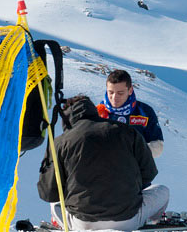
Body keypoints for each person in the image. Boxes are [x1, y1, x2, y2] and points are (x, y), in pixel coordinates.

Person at [38, 95, 170, 231]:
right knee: (162, 190)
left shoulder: (60, 142)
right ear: (93, 110)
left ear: (66, 117)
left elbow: (48, 192)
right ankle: (149, 222)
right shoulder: (127, 131)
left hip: (82, 223)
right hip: (127, 219)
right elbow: (149, 174)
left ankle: (60, 224)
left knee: (56, 199)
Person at [97, 69, 164, 158]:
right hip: (104, 168)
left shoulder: (144, 111)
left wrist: (133, 153)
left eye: (120, 93)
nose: (114, 97)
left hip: (135, 168)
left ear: (130, 90)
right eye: (111, 92)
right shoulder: (98, 112)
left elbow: (158, 145)